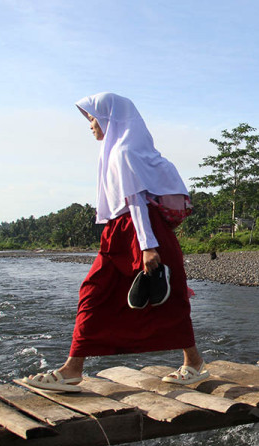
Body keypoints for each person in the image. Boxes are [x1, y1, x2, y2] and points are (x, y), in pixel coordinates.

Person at [22, 93, 208, 392]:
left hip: (142, 232)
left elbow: (136, 201)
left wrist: (148, 246)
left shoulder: (124, 152)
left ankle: (194, 363)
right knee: (96, 293)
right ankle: (73, 369)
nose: (91, 125)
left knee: (166, 299)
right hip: (123, 233)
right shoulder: (122, 151)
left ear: (111, 118)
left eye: (93, 118)